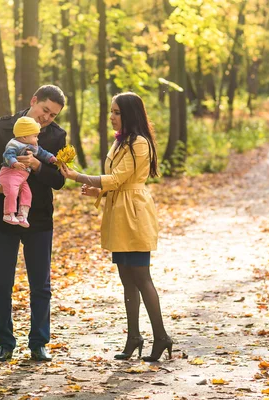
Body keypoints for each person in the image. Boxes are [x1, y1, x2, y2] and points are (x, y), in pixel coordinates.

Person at [59, 92, 173, 362]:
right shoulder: (121, 142)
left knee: (142, 277)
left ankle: (161, 336)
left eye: (117, 112)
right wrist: (97, 191)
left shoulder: (140, 143)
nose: (111, 116)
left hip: (133, 214)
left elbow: (120, 178)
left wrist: (77, 176)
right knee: (126, 279)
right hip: (119, 212)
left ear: (130, 114)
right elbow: (116, 183)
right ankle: (134, 337)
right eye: (111, 111)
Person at [0, 85, 67, 362]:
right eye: (44, 111)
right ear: (33, 100)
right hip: (3, 214)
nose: (47, 118)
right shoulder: (1, 128)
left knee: (41, 284)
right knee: (2, 283)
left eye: (52, 115)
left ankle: (39, 343)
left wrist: (39, 167)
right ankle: (4, 343)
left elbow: (60, 180)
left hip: (38, 216)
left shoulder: (57, 136)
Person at [0, 116, 57, 227]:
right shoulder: (13, 144)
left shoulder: (32, 145)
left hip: (22, 176)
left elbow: (42, 152)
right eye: (35, 136)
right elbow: (7, 155)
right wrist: (14, 163)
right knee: (12, 191)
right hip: (9, 173)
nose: (37, 139)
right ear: (25, 137)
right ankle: (8, 213)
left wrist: (51, 158)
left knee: (27, 194)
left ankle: (22, 215)